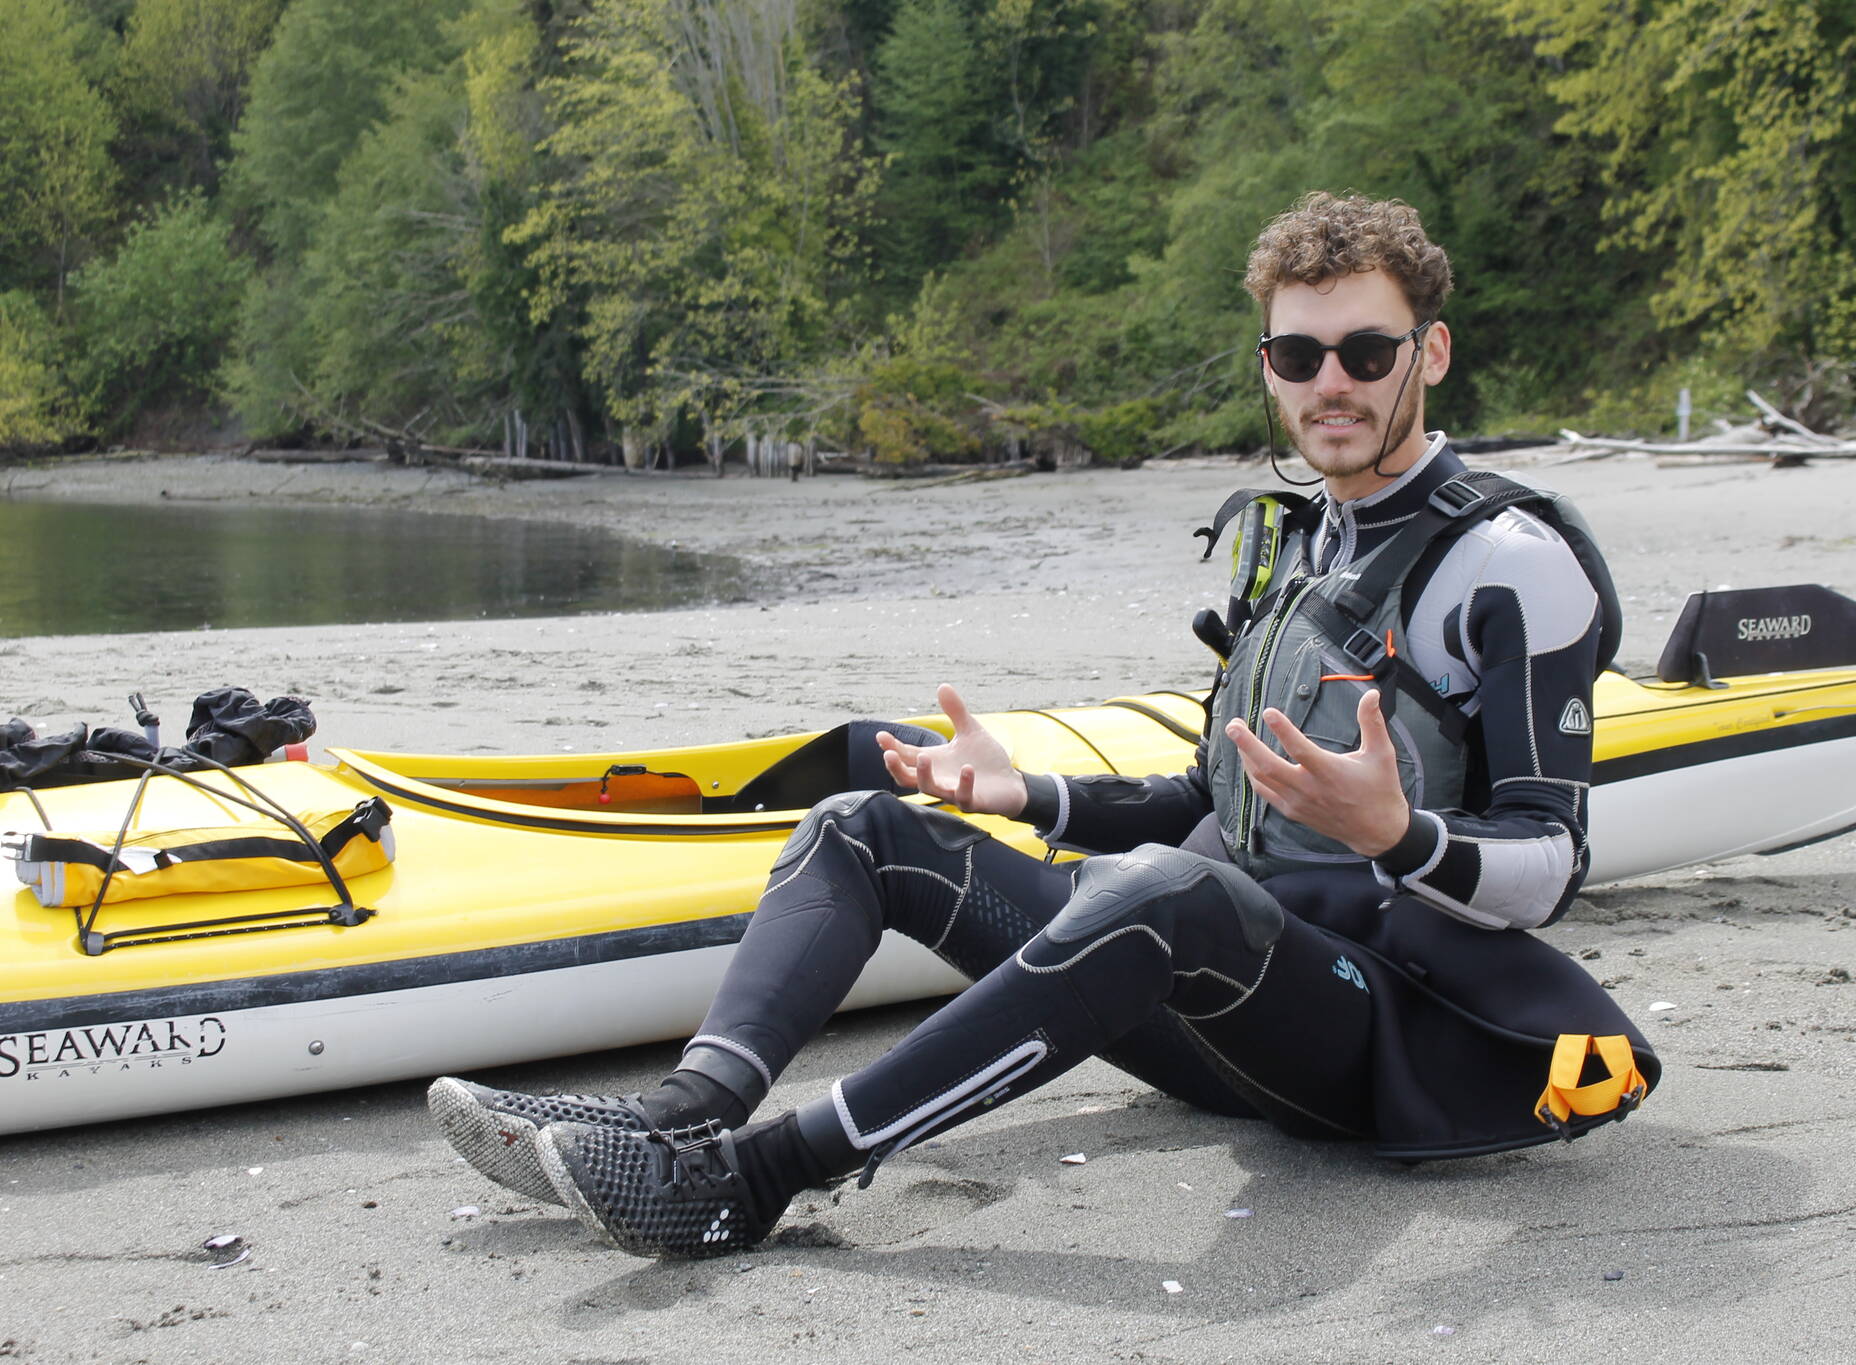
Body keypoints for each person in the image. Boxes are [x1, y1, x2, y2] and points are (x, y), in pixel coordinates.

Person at [428, 191, 1657, 1259]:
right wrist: (1028, 798)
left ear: (1427, 352)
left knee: (1159, 892)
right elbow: (1213, 803)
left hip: (1372, 1029)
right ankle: (679, 1117)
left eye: (1364, 350)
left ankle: (747, 1183)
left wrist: (1398, 836)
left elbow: (1548, 872)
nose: (1329, 383)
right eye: (1298, 357)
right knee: (864, 827)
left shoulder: (1507, 562)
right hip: (1216, 995)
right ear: (1265, 367)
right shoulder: (1302, 541)